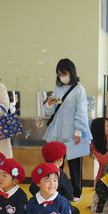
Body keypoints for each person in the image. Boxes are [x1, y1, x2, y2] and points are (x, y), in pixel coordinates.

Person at [43, 58, 90, 201]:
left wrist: (79, 131)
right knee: (57, 164)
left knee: (75, 164)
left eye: (64, 73)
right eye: (59, 74)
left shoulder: (79, 89)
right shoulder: (57, 89)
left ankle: (76, 192)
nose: (61, 76)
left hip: (73, 131)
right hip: (57, 131)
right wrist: (48, 104)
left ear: (71, 73)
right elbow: (49, 111)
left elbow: (81, 111)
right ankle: (57, 190)